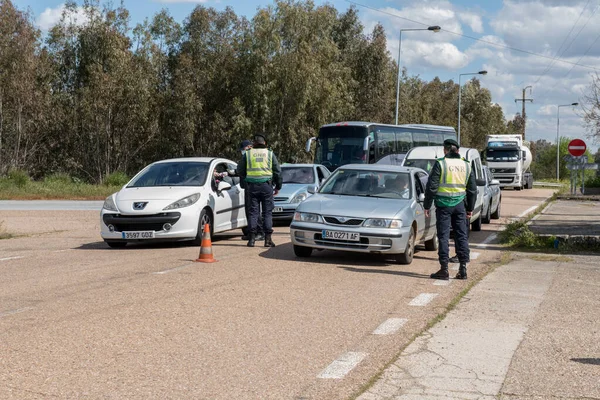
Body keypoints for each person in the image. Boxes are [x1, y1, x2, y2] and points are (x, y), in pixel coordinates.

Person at [424, 138, 477, 280]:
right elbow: (472, 190)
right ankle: (463, 269)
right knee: (461, 236)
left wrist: (427, 205)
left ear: (445, 150)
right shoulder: (466, 165)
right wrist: (470, 208)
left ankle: (444, 269)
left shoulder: (441, 163)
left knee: (444, 236)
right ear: (458, 151)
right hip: (460, 205)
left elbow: (432, 187)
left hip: (443, 205)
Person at [237, 134, 282, 247]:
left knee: (253, 212)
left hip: (252, 186)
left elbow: (239, 170)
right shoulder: (270, 153)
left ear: (254, 144)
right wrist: (278, 186)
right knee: (267, 212)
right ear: (265, 143)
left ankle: (251, 240)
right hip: (266, 186)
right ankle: (267, 240)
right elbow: (277, 171)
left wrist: (247, 178)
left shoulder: (248, 154)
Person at [239, 140, 264, 242]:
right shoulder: (247, 156)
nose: (242, 151)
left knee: (254, 211)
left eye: (243, 149)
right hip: (248, 186)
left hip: (253, 186)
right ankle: (251, 233)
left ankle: (259, 232)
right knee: (249, 211)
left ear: (250, 147)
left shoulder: (254, 156)